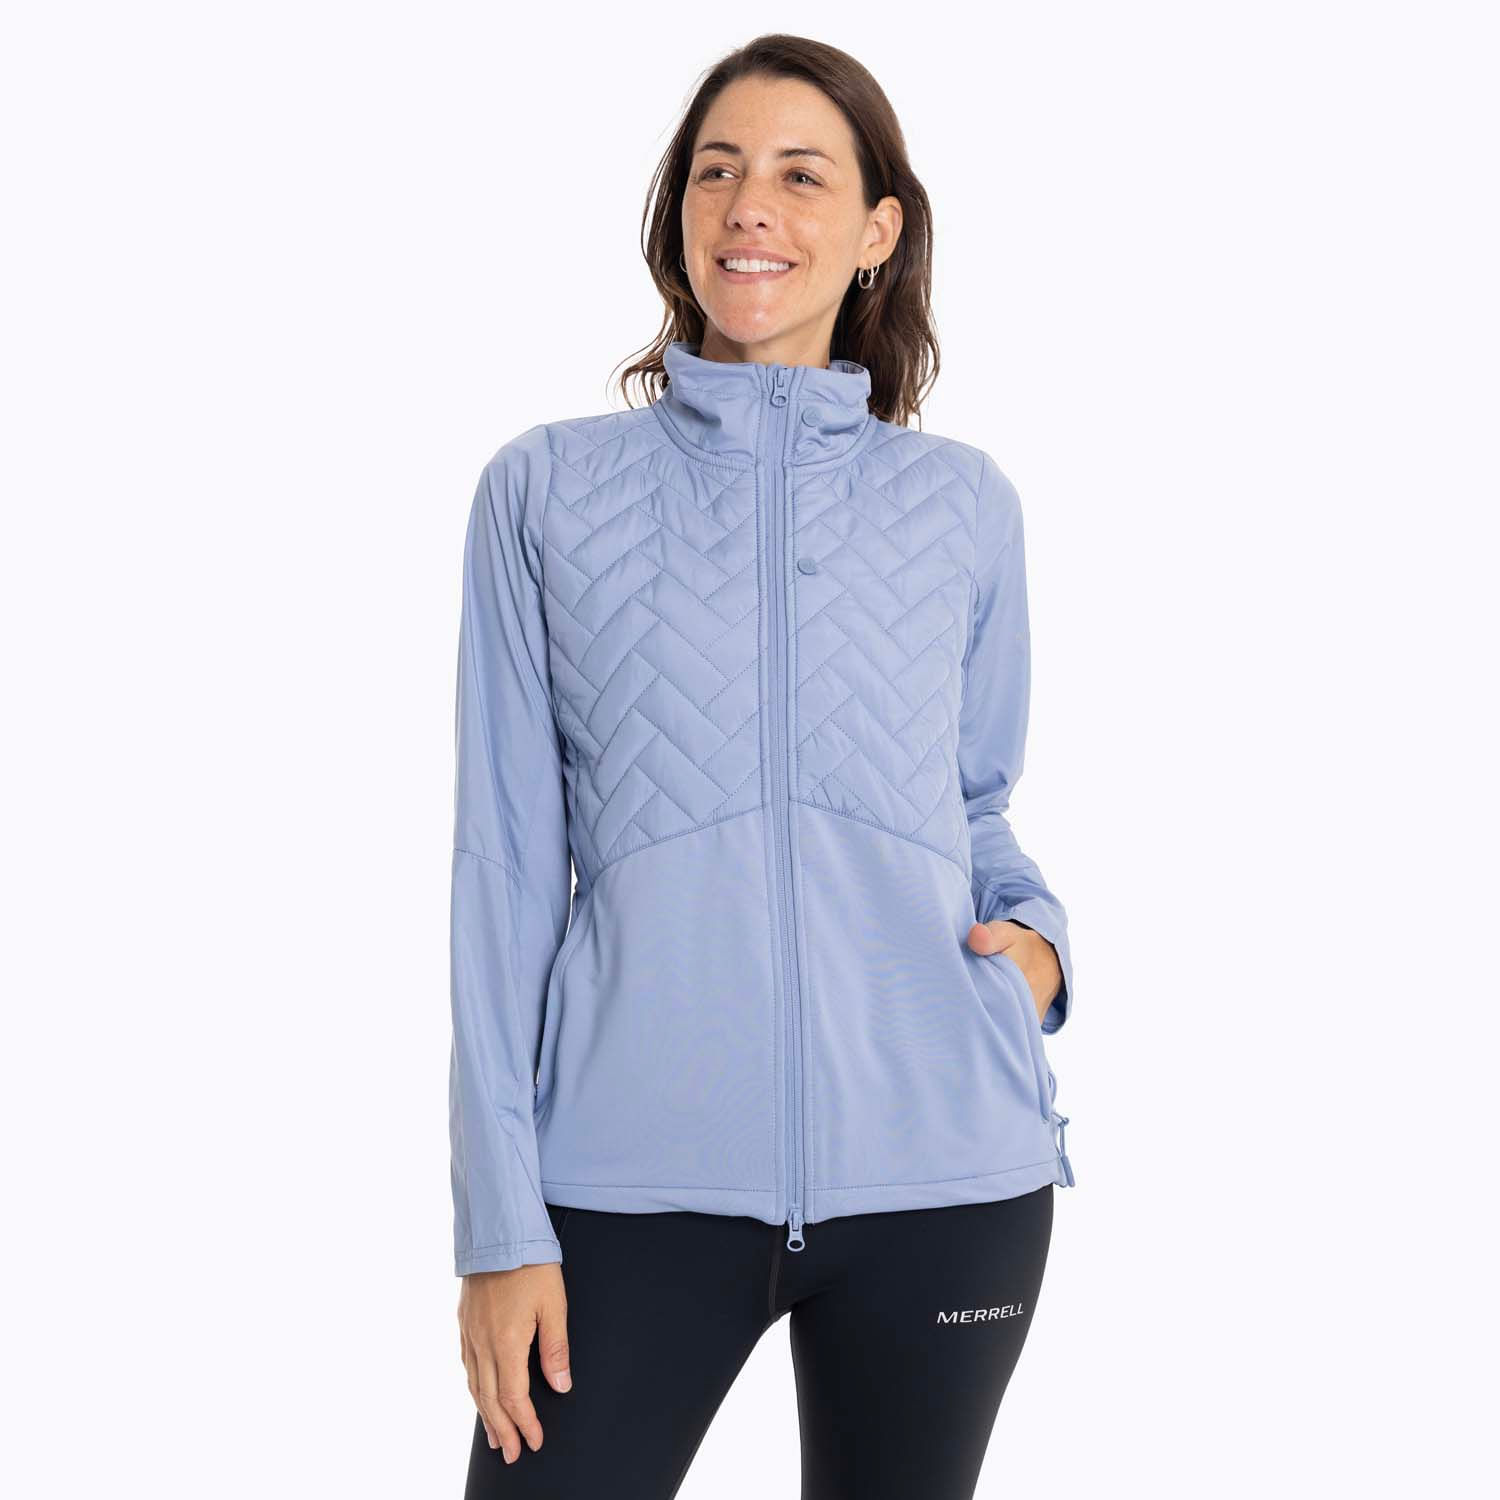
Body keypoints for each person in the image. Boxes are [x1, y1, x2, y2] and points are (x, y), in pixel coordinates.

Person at [449, 34, 1076, 1500]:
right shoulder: (545, 491)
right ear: (678, 212)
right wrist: (499, 1222)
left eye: (802, 176)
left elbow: (974, 805)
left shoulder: (963, 504)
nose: (750, 208)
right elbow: (504, 867)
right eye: (718, 171)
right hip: (626, 1183)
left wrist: (1041, 947)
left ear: (875, 231)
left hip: (948, 1179)